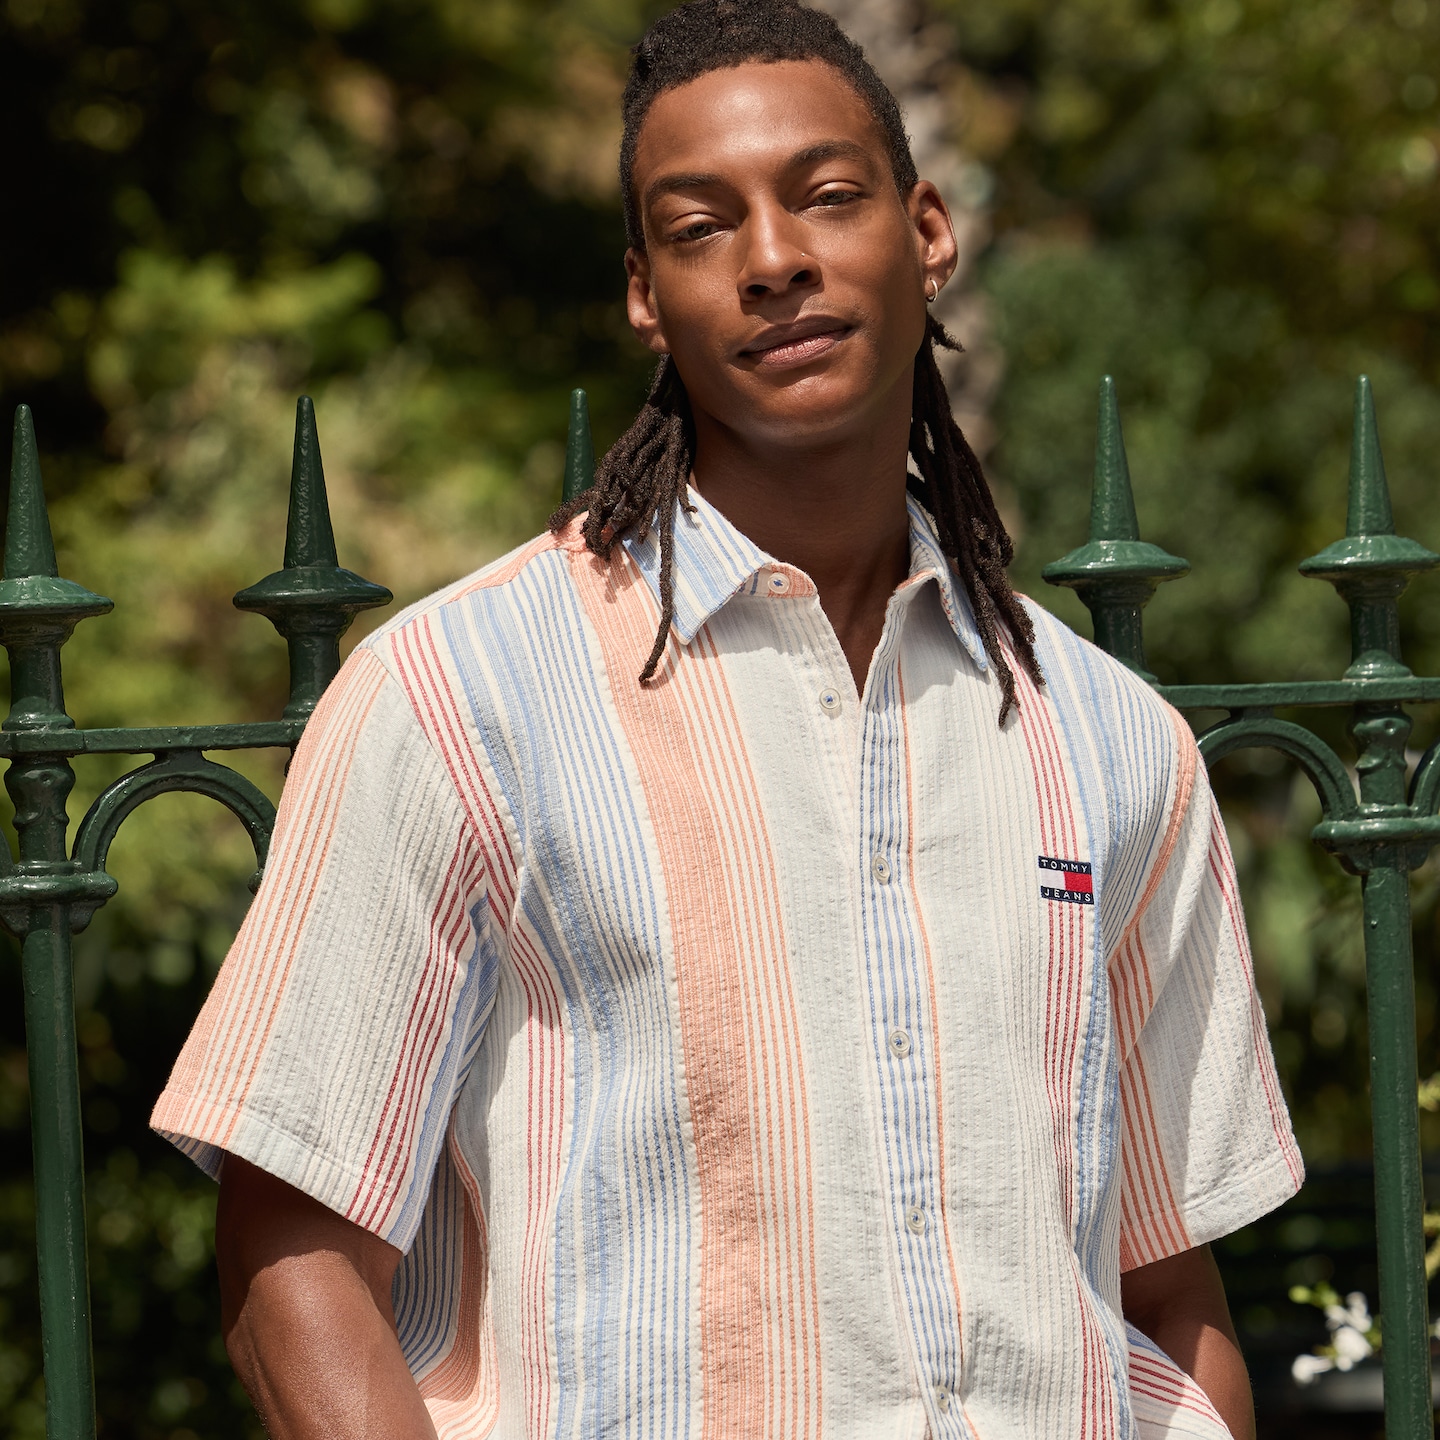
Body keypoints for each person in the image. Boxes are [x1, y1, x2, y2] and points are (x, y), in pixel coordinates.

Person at [152, 3, 1303, 1436]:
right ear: (646, 294)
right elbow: (292, 1251)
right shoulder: (457, 699)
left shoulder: (1114, 746)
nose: (774, 262)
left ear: (928, 228)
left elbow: (1169, 1290)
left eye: (827, 197)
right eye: (701, 228)